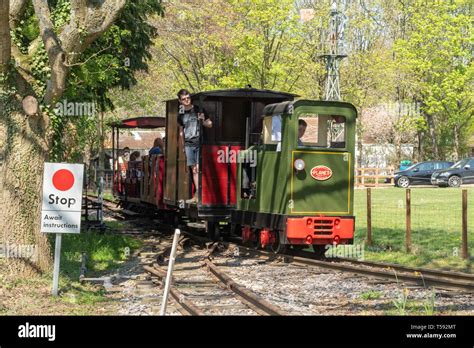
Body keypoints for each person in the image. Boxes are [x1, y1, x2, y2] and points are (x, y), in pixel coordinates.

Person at [177, 89, 212, 203]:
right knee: (194, 169)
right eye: (184, 99)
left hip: (200, 142)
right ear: (180, 101)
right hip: (188, 144)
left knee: (199, 167)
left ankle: (203, 192)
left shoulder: (198, 109)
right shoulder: (181, 114)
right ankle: (198, 192)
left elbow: (209, 124)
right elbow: (181, 132)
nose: (186, 100)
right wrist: (182, 146)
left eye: (188, 98)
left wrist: (202, 120)